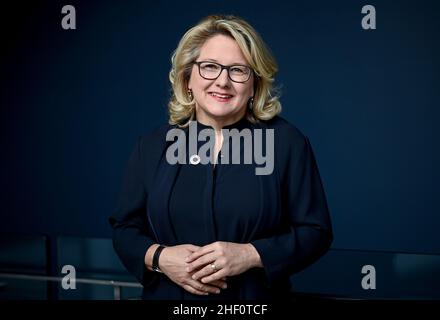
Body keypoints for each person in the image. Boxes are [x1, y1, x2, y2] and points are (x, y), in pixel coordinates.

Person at [109, 14, 333, 300]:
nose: (222, 81)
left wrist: (250, 254)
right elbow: (124, 229)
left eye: (238, 70)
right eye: (210, 67)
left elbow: (316, 231)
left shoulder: (287, 143)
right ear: (188, 78)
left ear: (254, 84)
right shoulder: (152, 146)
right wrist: (159, 257)